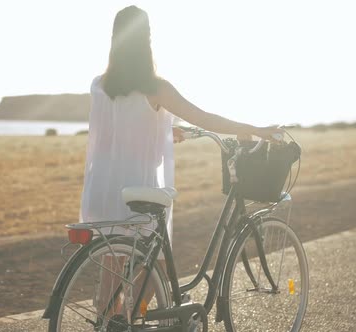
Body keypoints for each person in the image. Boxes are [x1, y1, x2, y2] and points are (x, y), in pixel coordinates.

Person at [79, 5, 284, 320]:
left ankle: (110, 323)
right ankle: (133, 322)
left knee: (112, 271)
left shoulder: (99, 85)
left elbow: (113, 134)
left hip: (102, 191)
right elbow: (204, 117)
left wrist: (163, 130)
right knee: (154, 269)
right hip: (138, 193)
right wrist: (252, 129)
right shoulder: (156, 87)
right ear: (147, 40)